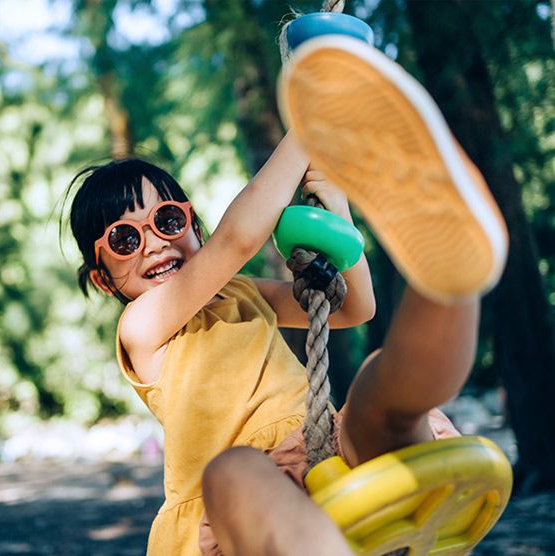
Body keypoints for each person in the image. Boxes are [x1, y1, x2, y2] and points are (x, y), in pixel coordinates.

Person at [64, 34, 507, 556]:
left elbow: (354, 307)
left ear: (194, 228)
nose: (154, 243)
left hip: (326, 454)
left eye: (167, 220)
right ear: (103, 279)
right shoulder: (142, 329)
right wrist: (312, 120)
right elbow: (240, 238)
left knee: (376, 398)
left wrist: (337, 208)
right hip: (241, 512)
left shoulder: (243, 293)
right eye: (123, 239)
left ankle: (450, 281)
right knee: (235, 470)